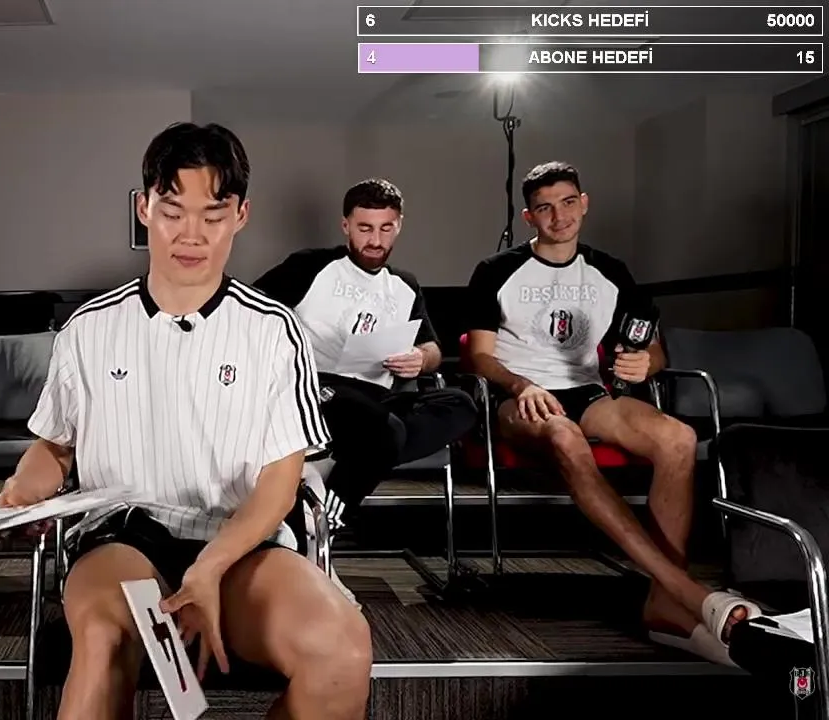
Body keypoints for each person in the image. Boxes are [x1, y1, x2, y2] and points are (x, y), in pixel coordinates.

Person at [0, 123, 372, 720]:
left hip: (241, 544)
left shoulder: (274, 330)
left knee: (343, 651)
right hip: (122, 537)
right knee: (102, 639)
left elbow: (280, 481)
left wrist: (211, 566)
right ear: (144, 208)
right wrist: (23, 489)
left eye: (213, 215)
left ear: (241, 215)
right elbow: (54, 448)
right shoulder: (88, 328)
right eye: (172, 212)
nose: (191, 235)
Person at [465, 161, 761, 665]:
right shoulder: (496, 270)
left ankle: (664, 601)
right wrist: (521, 384)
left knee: (678, 438)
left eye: (568, 202)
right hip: (518, 396)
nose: (559, 216)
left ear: (584, 203)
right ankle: (686, 592)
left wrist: (648, 363)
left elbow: (654, 349)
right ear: (528, 216)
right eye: (544, 208)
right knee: (564, 436)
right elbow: (478, 356)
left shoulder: (611, 271)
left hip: (587, 391)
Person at [254, 178, 477, 530]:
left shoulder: (404, 285)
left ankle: (332, 467)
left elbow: (433, 348)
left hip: (378, 397)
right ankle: (325, 522)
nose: (375, 240)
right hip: (319, 391)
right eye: (365, 228)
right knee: (385, 432)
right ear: (346, 226)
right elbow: (251, 312)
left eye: (386, 228)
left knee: (460, 405)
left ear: (399, 226)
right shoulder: (311, 266)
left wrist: (420, 358)